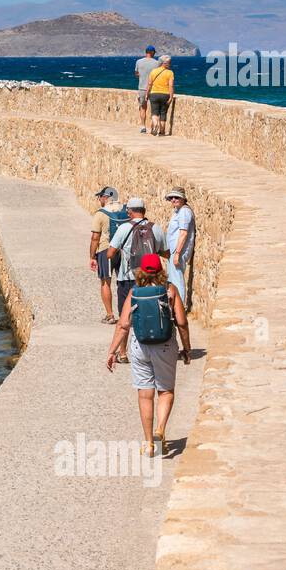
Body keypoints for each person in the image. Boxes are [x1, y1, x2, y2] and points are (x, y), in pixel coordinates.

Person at [105, 253, 192, 457]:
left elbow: (123, 324)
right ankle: (160, 429)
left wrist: (112, 351)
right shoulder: (170, 290)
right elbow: (181, 322)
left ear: (141, 271)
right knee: (165, 391)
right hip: (165, 346)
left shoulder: (135, 291)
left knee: (145, 394)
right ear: (161, 271)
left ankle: (149, 443)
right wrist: (186, 348)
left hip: (139, 346)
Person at [107, 197, 167, 360]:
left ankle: (123, 353)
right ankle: (153, 343)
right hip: (151, 278)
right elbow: (165, 252)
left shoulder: (124, 228)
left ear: (129, 211)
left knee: (125, 315)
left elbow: (110, 253)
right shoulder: (156, 228)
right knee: (152, 309)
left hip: (128, 277)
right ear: (144, 210)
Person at [90, 186, 127, 324]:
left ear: (105, 197)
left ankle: (110, 315)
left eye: (100, 196)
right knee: (124, 281)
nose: (99, 199)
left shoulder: (100, 214)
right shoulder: (125, 210)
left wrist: (92, 256)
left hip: (106, 250)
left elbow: (95, 237)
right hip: (123, 250)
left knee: (105, 281)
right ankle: (126, 313)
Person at [164, 187, 195, 309]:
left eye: (176, 197)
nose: (173, 200)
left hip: (179, 251)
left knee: (177, 279)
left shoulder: (184, 212)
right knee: (173, 279)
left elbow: (184, 233)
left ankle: (180, 307)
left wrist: (177, 253)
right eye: (171, 197)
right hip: (174, 251)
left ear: (183, 198)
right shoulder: (178, 211)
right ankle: (175, 307)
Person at [147, 55, 174, 136]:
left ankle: (155, 124)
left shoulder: (153, 71)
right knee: (163, 113)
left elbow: (149, 84)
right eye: (169, 63)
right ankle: (162, 131)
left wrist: (147, 94)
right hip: (165, 95)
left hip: (154, 94)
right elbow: (171, 86)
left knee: (154, 113)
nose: (170, 64)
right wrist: (171, 97)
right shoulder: (170, 73)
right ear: (164, 63)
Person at [135, 46, 159, 134]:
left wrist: (142, 76)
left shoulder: (139, 62)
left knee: (143, 108)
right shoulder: (157, 63)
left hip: (142, 88)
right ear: (152, 52)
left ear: (146, 52)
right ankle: (153, 127)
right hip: (153, 89)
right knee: (154, 109)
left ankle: (143, 126)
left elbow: (137, 74)